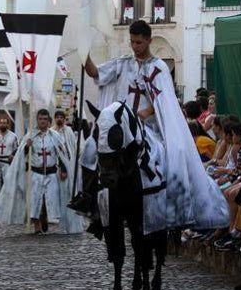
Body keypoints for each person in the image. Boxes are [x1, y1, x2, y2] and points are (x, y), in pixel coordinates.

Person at [84, 19, 228, 233]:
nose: (135, 47)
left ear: (149, 40)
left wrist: (145, 112)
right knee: (90, 148)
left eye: (139, 43)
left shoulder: (158, 68)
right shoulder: (123, 64)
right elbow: (95, 73)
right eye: (132, 42)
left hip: (146, 129)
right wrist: (84, 54)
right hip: (123, 129)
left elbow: (164, 100)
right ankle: (89, 201)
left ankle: (172, 208)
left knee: (171, 156)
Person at [0, 109, 83, 234]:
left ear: (48, 120)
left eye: (45, 119)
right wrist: (26, 147)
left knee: (48, 199)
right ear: (37, 120)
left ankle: (44, 216)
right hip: (35, 173)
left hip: (51, 173)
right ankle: (37, 226)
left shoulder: (54, 136)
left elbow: (62, 153)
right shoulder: (30, 136)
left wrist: (63, 169)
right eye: (40, 119)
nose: (43, 121)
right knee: (35, 200)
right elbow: (20, 154)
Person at [0, 118, 18, 200]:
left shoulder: (13, 136)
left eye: (5, 123)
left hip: (7, 161)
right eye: (1, 123)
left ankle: (8, 199)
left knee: (8, 180)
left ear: (7, 125)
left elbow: (16, 149)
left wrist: (12, 155)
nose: (3, 125)